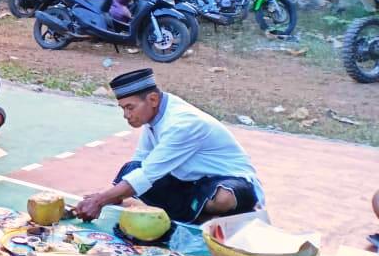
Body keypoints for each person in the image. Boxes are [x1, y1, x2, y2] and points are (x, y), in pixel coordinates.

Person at [73, 69, 264, 225]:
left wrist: (100, 200)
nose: (126, 115)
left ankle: (201, 216)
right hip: (191, 184)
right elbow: (141, 162)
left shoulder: (184, 123)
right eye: (123, 108)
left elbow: (148, 174)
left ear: (153, 100)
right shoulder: (153, 116)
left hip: (231, 181)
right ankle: (194, 214)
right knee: (131, 169)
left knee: (223, 198)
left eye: (130, 108)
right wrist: (109, 196)